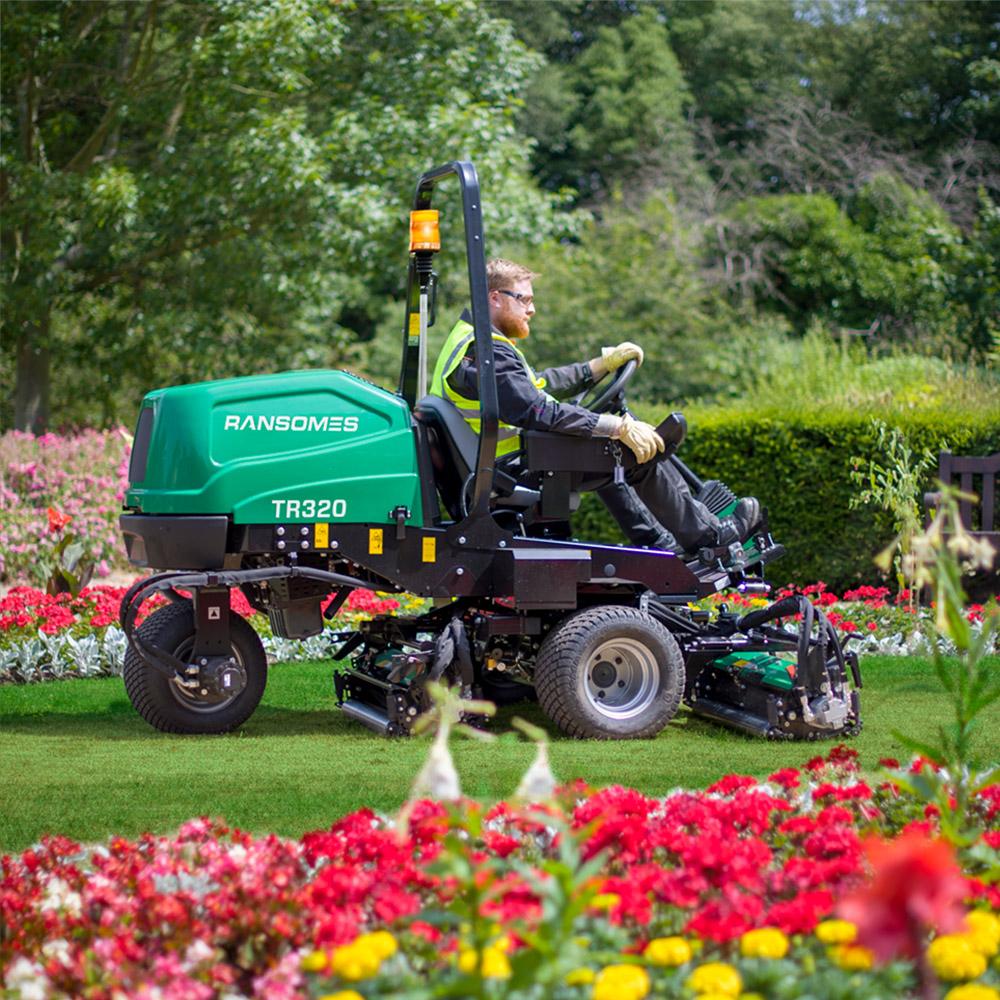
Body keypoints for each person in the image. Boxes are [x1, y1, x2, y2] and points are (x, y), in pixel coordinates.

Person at [429, 258, 760, 555]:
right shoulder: (487, 352)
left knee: (611, 450)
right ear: (495, 298)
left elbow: (537, 384)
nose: (532, 309)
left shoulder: (476, 341)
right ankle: (709, 538)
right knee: (632, 452)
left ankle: (660, 542)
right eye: (525, 299)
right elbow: (537, 411)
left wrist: (598, 366)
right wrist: (615, 426)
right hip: (512, 470)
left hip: (503, 465)